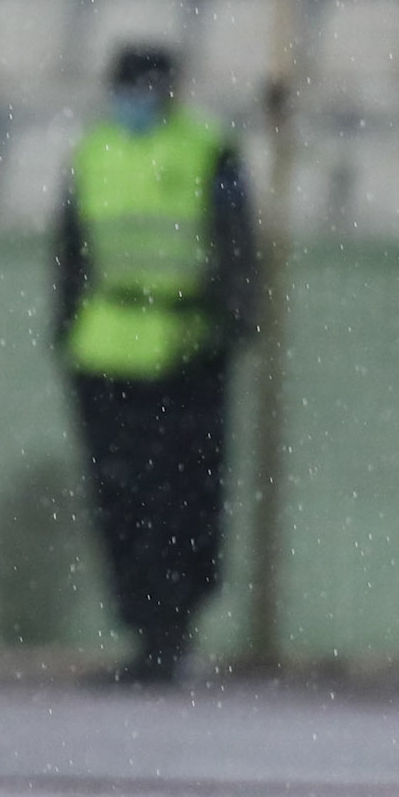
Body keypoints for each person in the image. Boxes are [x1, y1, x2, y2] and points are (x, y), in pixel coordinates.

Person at [53, 45, 258, 687]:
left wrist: (232, 328)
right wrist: (65, 331)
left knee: (184, 498)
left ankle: (173, 629)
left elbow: (234, 243)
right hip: (107, 349)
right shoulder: (93, 153)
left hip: (185, 347)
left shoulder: (206, 149)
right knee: (123, 500)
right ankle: (149, 631)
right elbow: (71, 250)